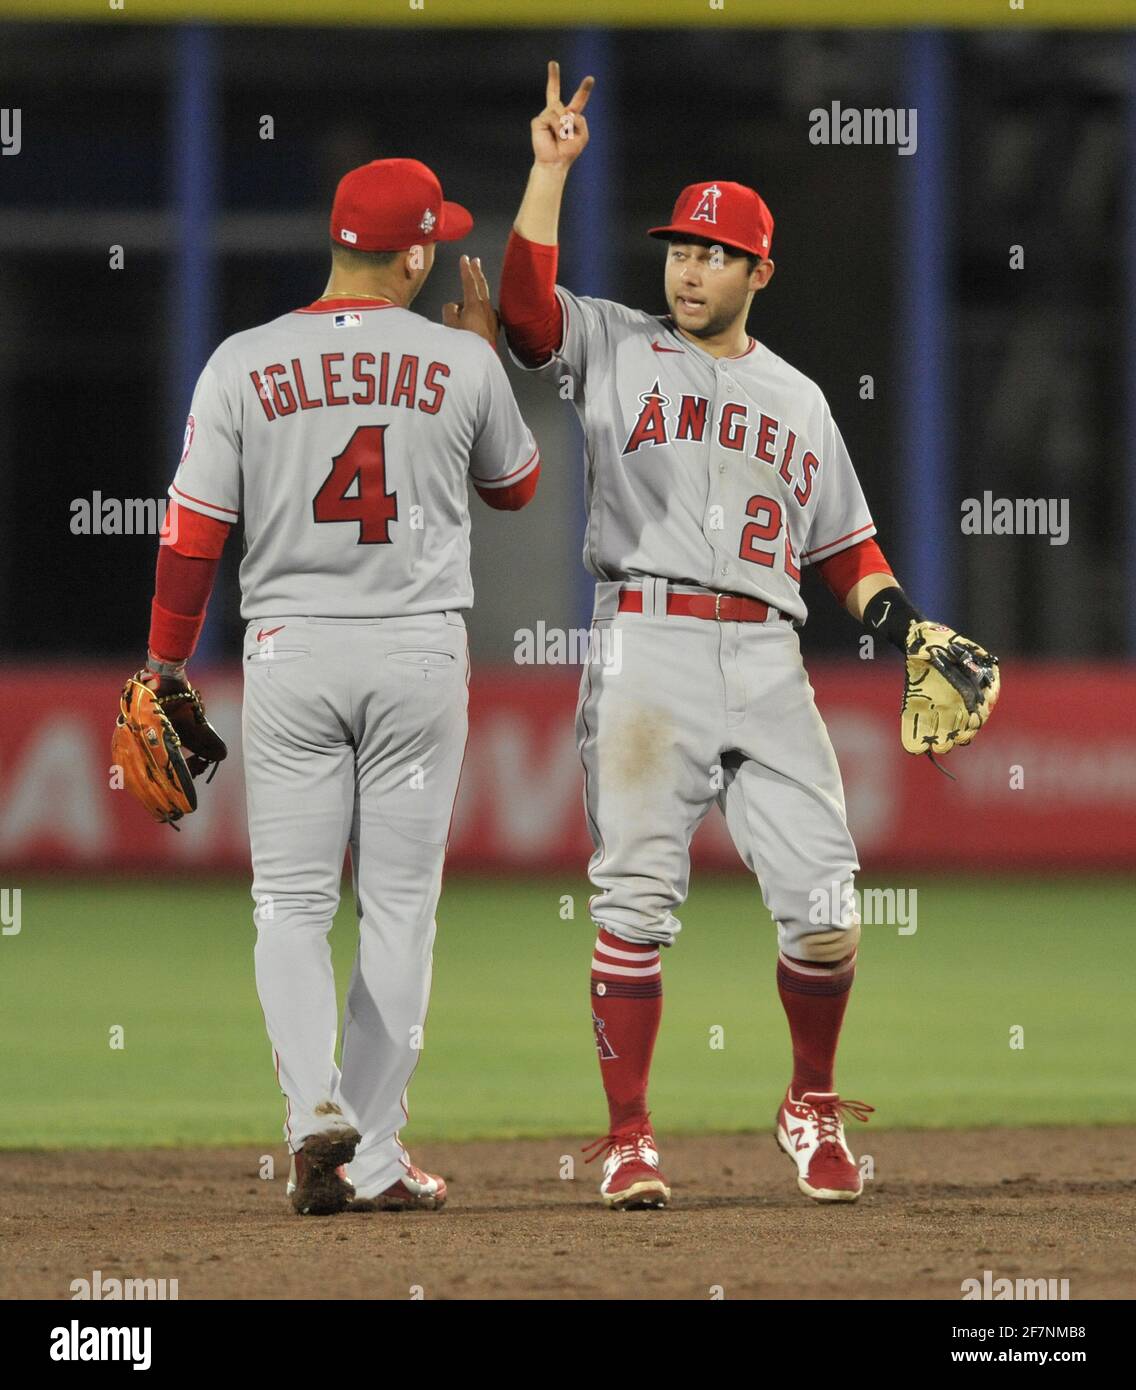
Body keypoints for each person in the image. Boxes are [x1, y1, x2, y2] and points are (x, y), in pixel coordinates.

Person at [498, 64, 998, 1210]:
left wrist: (908, 626)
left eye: (714, 252)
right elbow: (526, 317)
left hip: (768, 654)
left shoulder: (799, 399)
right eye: (679, 245)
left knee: (826, 913)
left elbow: (845, 554)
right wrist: (548, 170)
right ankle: (628, 1136)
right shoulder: (615, 342)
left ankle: (807, 1102)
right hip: (647, 641)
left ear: (757, 271)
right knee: (631, 905)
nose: (688, 264)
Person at [138, 157, 539, 1216]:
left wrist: (165, 661)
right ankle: (368, 1153)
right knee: (400, 911)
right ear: (412, 253)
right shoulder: (458, 360)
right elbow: (517, 488)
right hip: (416, 653)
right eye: (432, 239)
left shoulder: (242, 360)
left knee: (291, 904)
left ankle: (315, 1113)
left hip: (291, 651)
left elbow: (190, 535)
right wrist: (482, 353)